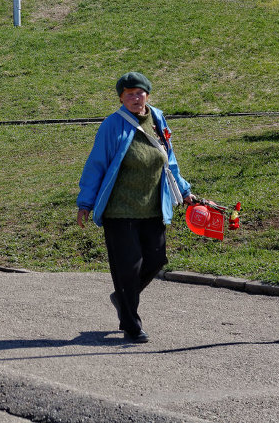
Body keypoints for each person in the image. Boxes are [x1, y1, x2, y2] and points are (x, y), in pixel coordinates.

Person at [76, 71, 194, 343]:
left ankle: (122, 297)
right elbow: (96, 164)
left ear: (147, 95)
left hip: (153, 207)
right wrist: (85, 202)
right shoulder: (111, 126)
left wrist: (184, 190)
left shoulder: (158, 119)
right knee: (128, 268)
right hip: (120, 212)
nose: (135, 98)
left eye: (139, 93)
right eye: (128, 94)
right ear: (121, 98)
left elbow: (169, 160)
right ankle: (131, 324)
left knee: (155, 260)